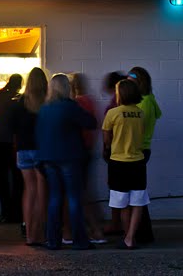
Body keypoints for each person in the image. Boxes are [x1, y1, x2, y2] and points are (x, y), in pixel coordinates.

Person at [36, 73, 97, 251]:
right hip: (69, 157)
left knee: (55, 198)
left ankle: (53, 240)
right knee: (73, 198)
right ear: (66, 88)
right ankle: (79, 240)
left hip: (48, 158)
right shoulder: (70, 106)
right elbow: (90, 122)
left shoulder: (44, 109)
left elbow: (39, 134)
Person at [103, 79, 149, 250]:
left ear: (120, 94)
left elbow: (107, 140)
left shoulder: (112, 113)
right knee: (137, 201)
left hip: (118, 163)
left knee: (122, 204)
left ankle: (126, 237)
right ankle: (131, 236)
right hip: (138, 162)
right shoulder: (141, 113)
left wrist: (109, 147)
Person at [66, 73, 106, 244]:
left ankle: (94, 230)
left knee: (80, 193)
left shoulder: (78, 103)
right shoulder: (90, 100)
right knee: (85, 191)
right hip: (88, 150)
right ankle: (95, 228)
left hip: (78, 151)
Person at [11, 67, 48, 246]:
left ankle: (29, 235)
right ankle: (40, 232)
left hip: (23, 150)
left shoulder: (19, 102)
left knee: (29, 190)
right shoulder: (47, 103)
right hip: (41, 149)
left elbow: (13, 129)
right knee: (42, 190)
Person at [130, 66, 161, 246]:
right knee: (136, 193)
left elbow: (139, 127)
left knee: (137, 194)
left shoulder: (146, 102)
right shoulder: (145, 101)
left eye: (132, 78)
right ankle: (141, 232)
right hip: (139, 149)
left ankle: (143, 233)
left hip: (140, 149)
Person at [0, 73, 24, 223]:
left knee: (1, 177)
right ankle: (16, 213)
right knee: (17, 178)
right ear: (20, 84)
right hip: (16, 142)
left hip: (0, 140)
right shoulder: (21, 98)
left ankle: (5, 212)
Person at [102, 70, 127, 236]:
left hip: (115, 153)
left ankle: (117, 223)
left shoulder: (113, 107)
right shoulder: (134, 109)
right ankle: (124, 225)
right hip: (130, 153)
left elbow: (107, 134)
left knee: (116, 190)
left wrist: (106, 148)